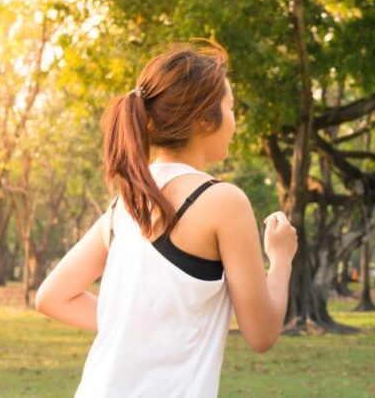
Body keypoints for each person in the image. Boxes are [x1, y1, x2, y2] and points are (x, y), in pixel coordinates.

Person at [34, 39, 298, 397]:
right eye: (230, 107)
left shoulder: (124, 205)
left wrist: (135, 326)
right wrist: (280, 259)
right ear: (205, 119)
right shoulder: (222, 201)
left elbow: (52, 296)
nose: (235, 122)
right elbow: (262, 334)